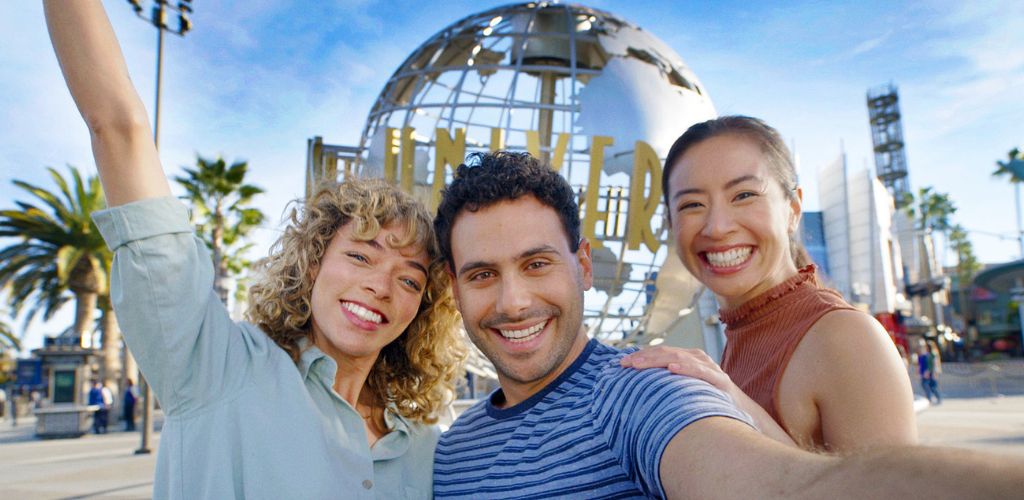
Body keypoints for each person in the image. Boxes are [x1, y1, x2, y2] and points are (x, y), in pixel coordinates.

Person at [46, 1, 464, 497]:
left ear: (422, 309)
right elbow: (118, 125)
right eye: (360, 255)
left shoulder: (424, 448)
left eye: (410, 279)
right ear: (312, 265)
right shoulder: (214, 368)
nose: (380, 285)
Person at [431, 151, 1021, 498]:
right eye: (482, 275)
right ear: (454, 288)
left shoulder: (642, 391)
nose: (513, 302)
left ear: (582, 266)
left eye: (537, 264)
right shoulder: (450, 452)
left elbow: (791, 487)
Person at [621, 115, 916, 452]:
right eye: (692, 205)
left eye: (744, 195)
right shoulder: (738, 336)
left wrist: (737, 404)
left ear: (792, 209)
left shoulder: (845, 337)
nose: (717, 227)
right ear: (671, 224)